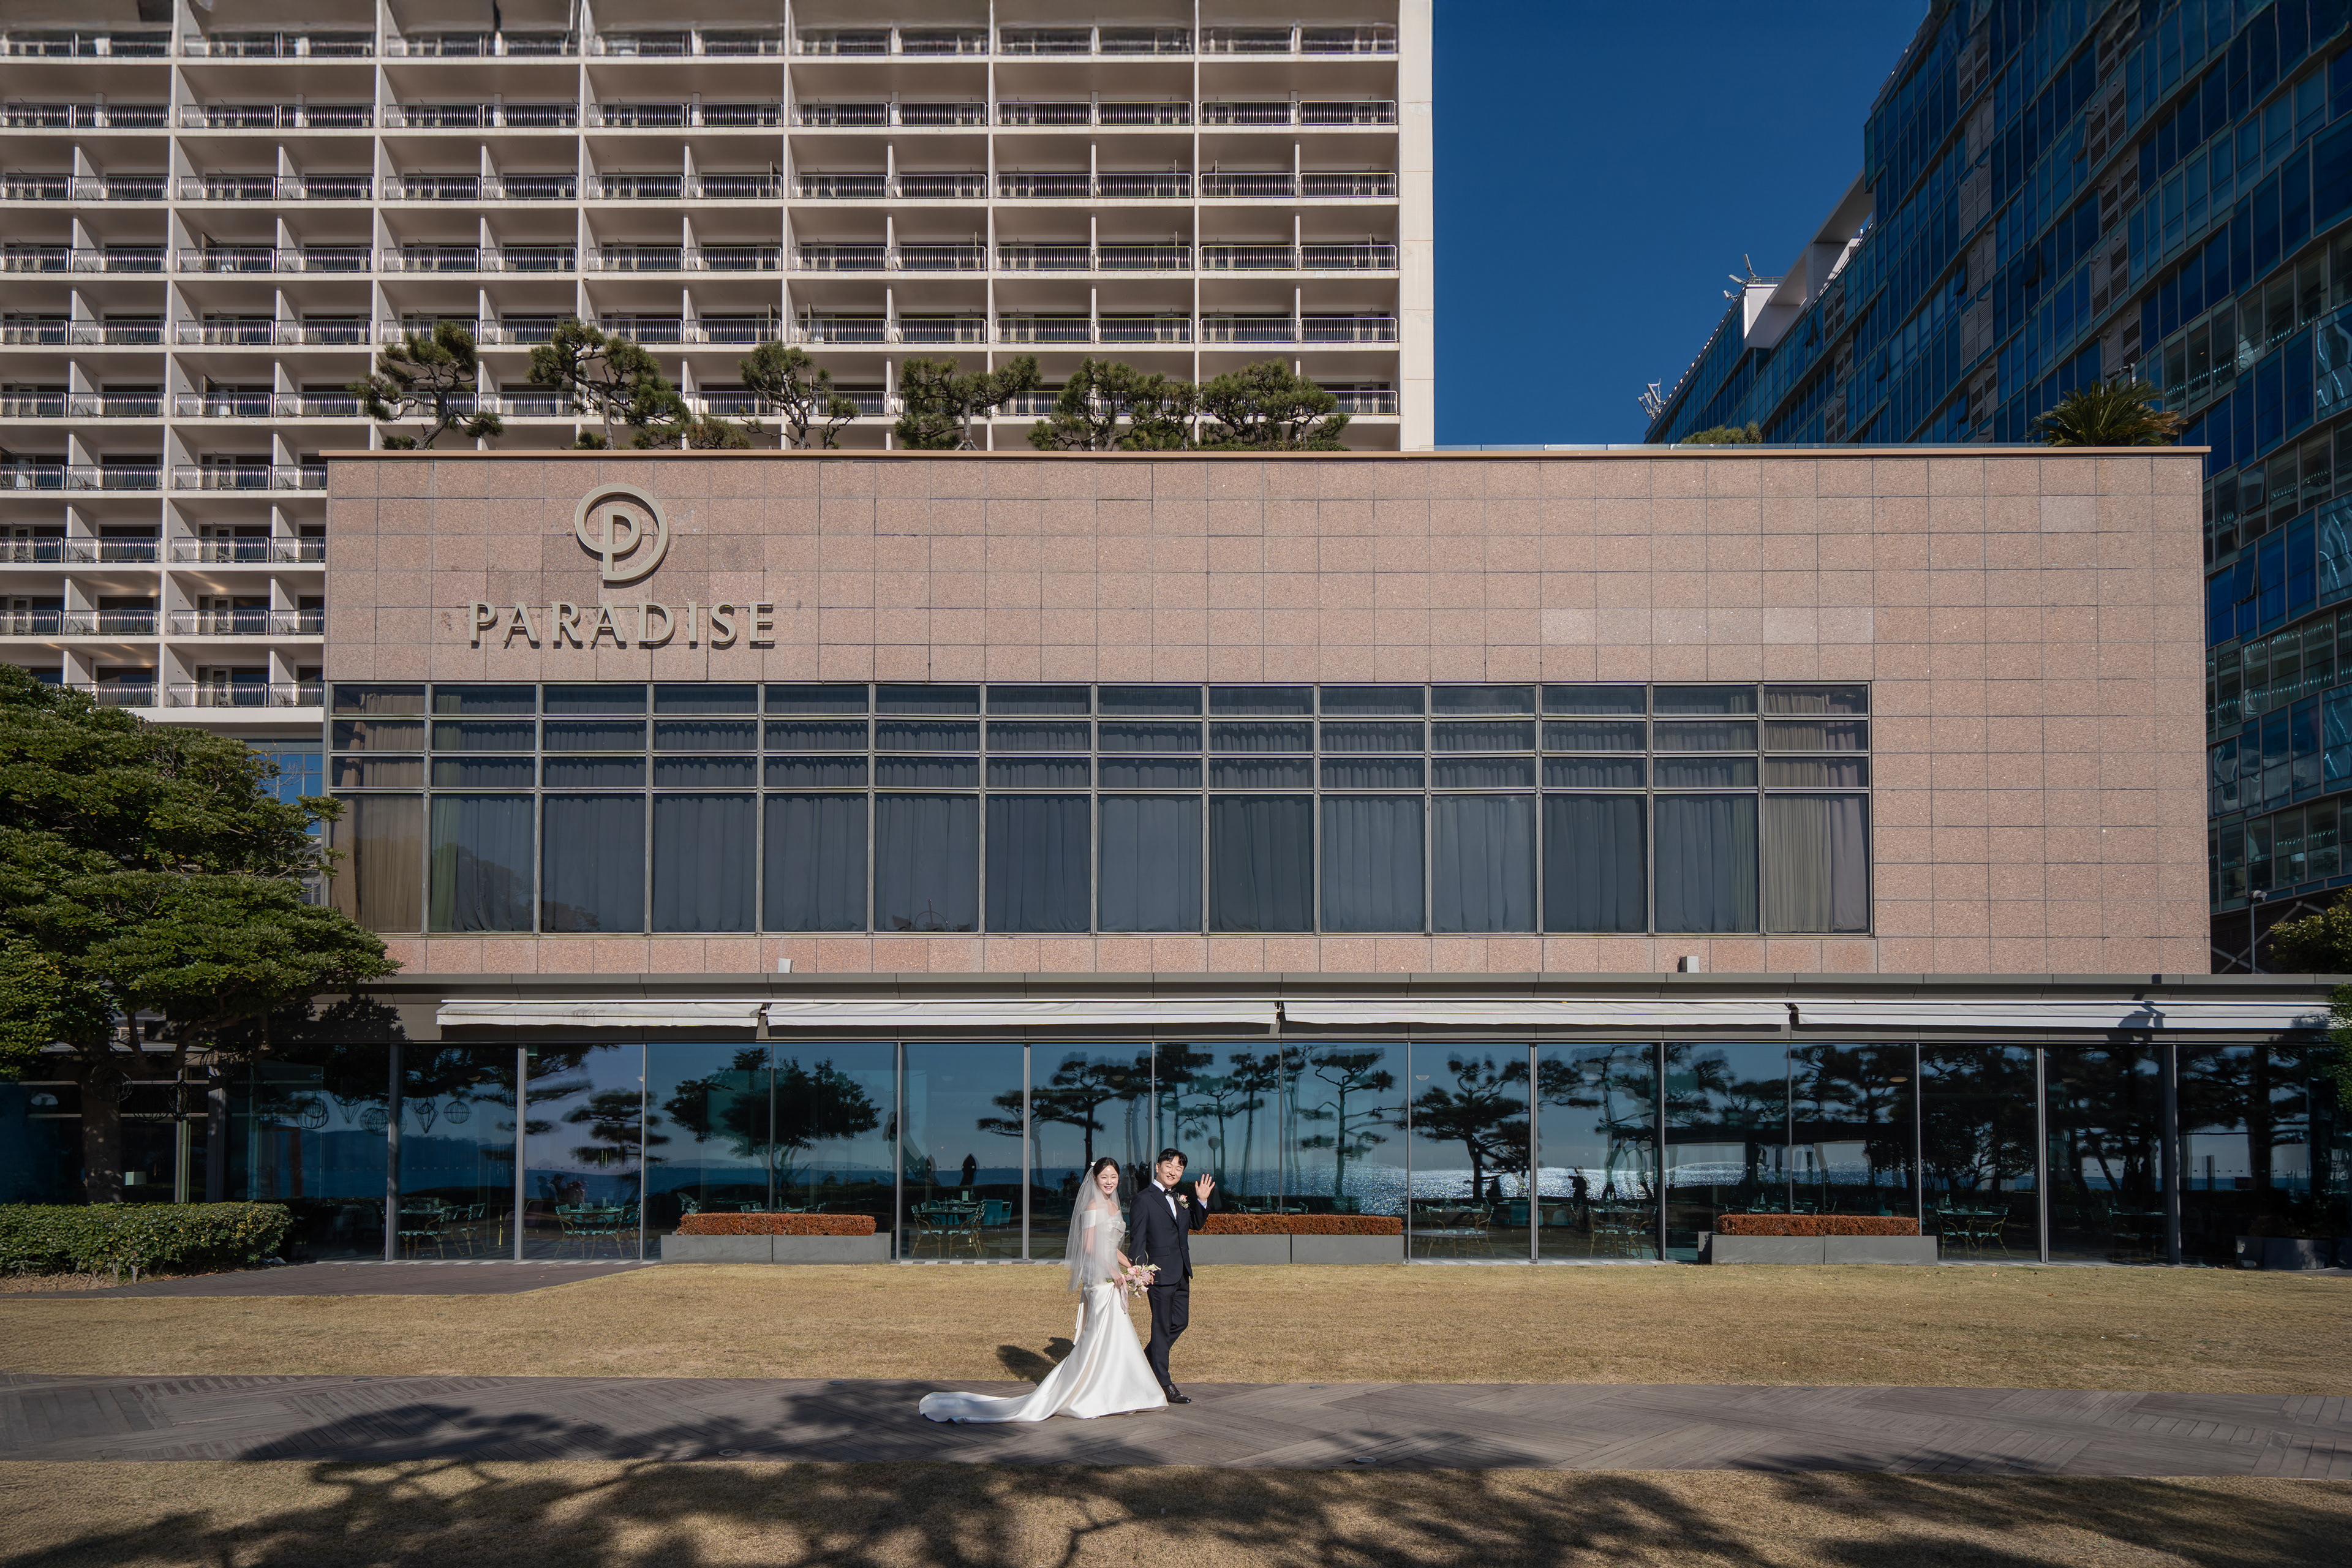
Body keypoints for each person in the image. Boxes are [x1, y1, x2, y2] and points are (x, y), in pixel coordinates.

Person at [916, 1157, 1167, 1423]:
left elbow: (1111, 1247)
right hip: (1099, 1281)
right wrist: (1112, 1271)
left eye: (1113, 1177)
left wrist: (1132, 1267)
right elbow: (1090, 1246)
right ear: (1095, 1179)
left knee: (1115, 1335)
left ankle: (1118, 1392)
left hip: (1113, 1279)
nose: (1109, 1182)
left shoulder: (1114, 1206)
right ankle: (1085, 1393)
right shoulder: (1092, 1206)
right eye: (1104, 1177)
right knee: (1096, 1337)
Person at [1128, 1146, 1213, 1404]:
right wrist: (1141, 1272)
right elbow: (1137, 1241)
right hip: (1159, 1275)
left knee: (1180, 1322)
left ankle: (1142, 1363)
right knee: (1161, 1327)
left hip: (1182, 1272)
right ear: (1158, 1167)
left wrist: (1201, 1201)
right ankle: (1164, 1384)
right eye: (1169, 1166)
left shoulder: (1181, 1198)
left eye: (1179, 1168)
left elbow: (1196, 1224)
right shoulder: (1143, 1200)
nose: (1174, 1171)